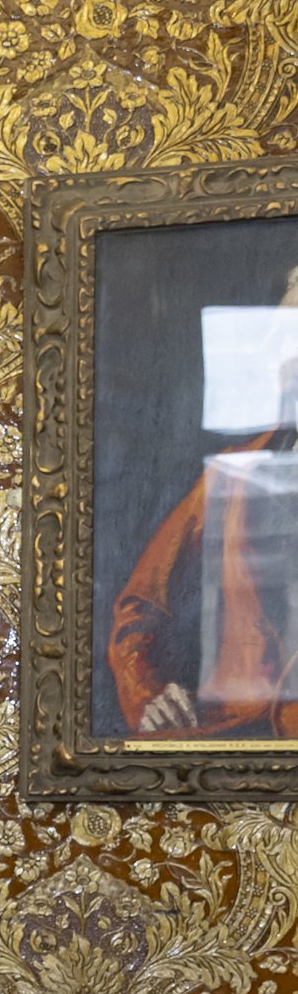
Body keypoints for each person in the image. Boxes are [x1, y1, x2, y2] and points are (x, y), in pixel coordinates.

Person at [108, 264, 298, 737]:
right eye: (284, 342)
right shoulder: (230, 476)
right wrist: (149, 696)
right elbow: (138, 610)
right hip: (231, 751)